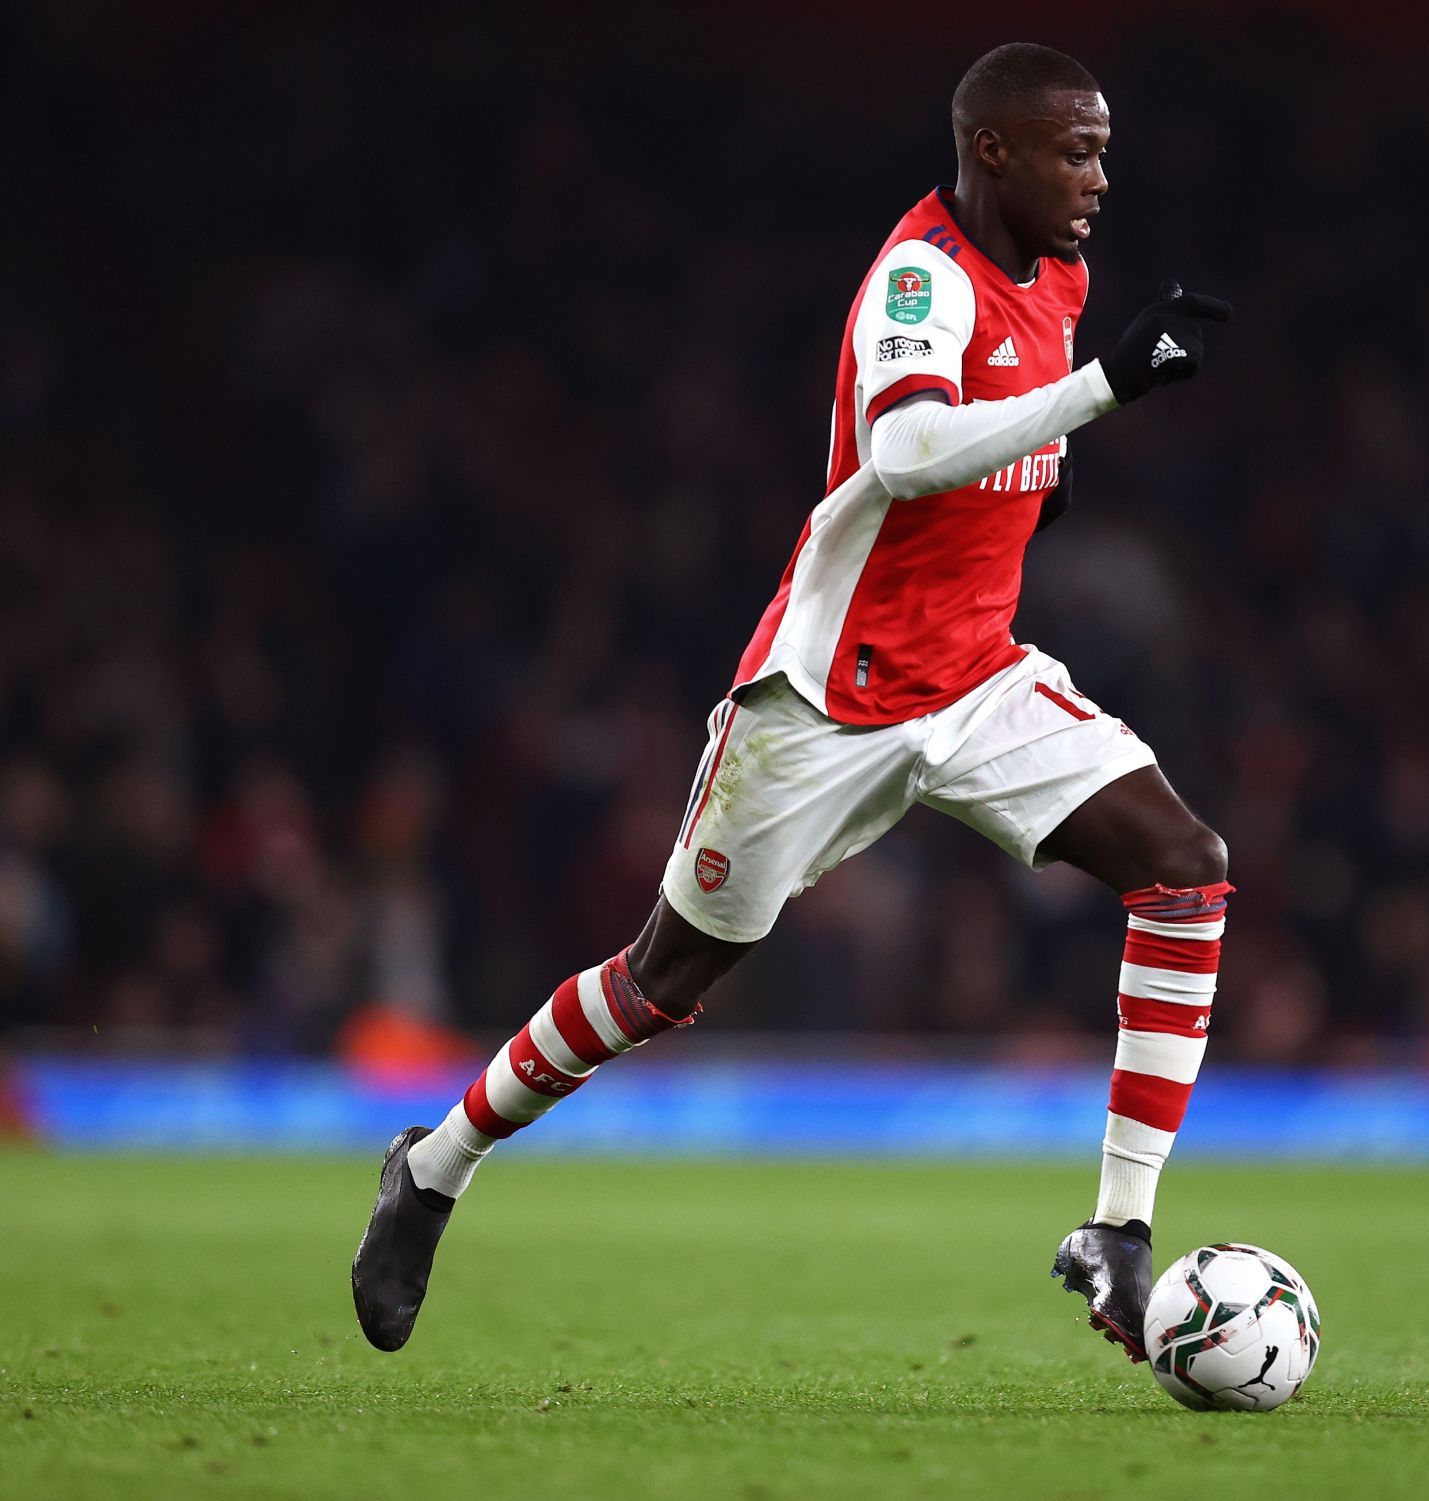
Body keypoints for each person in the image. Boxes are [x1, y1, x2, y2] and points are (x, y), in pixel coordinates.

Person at [353, 41, 1233, 1362]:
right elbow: (905, 451)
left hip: (977, 674)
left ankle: (1119, 1227)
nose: (1100, 176)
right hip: (829, 694)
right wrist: (1105, 386)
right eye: (1078, 148)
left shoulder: (1061, 276)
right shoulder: (921, 278)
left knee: (1185, 868)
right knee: (661, 979)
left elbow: (1006, 481)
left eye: (1105, 148)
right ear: (993, 148)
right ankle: (434, 1165)